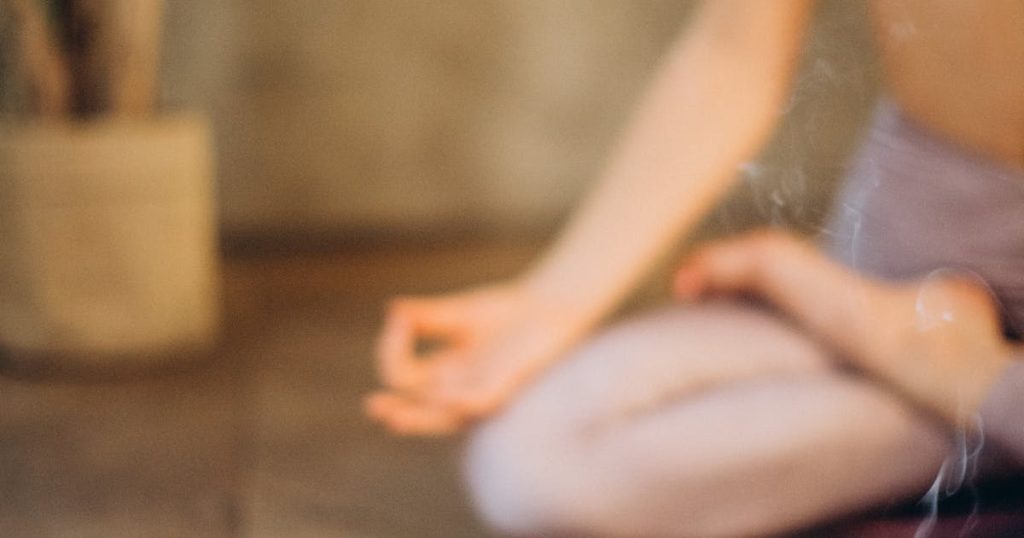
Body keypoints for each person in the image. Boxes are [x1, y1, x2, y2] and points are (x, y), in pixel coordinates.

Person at [365, 0, 1024, 535]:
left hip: (950, 338)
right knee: (534, 460)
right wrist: (556, 299)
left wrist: (966, 373)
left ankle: (973, 392)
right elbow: (733, 52)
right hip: (887, 277)